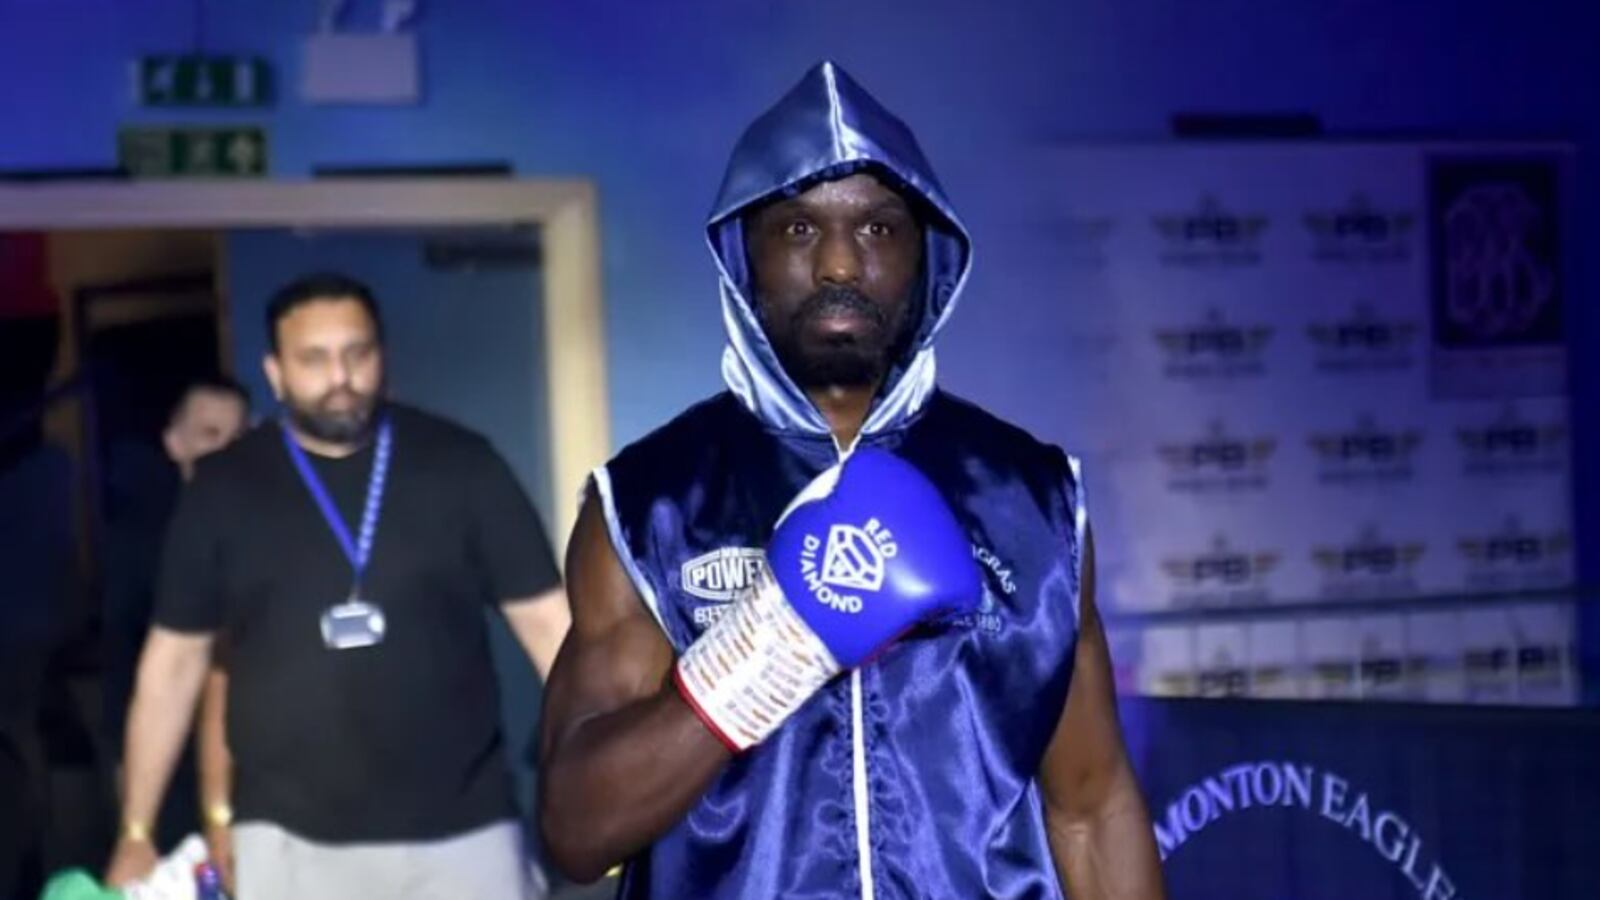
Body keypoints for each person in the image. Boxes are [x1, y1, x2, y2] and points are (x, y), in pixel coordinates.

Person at [538, 61, 1166, 898]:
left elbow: (1092, 809)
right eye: (798, 230)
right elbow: (576, 834)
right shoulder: (649, 503)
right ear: (743, 256)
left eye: (877, 229)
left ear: (925, 254)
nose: (839, 265)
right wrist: (774, 643)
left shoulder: (1034, 498)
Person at [104, 272, 572, 899]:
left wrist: (611, 781)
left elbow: (553, 630)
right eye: (314, 359)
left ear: (382, 355)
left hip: (465, 830)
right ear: (275, 373)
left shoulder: (464, 466)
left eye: (357, 353)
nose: (340, 377)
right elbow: (174, 666)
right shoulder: (223, 490)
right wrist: (136, 829)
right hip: (288, 839)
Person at [102, 376, 250, 861]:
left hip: (263, 766)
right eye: (210, 434)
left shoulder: (273, 535)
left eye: (238, 436)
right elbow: (122, 662)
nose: (227, 449)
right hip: (171, 763)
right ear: (174, 443)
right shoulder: (142, 547)